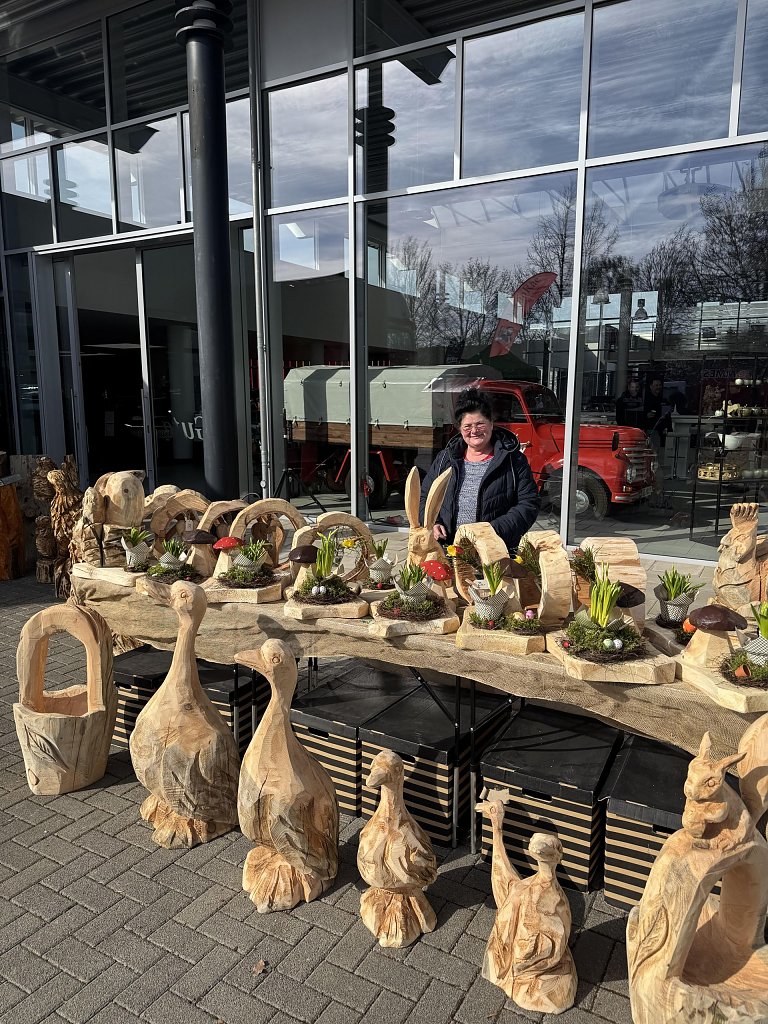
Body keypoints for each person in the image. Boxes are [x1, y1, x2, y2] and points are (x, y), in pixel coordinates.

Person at [418, 387, 540, 553]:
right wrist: (433, 523)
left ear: (491, 423)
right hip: (449, 551)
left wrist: (491, 531)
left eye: (480, 424)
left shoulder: (513, 460)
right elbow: (425, 496)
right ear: (459, 428)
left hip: (495, 551)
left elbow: (529, 504)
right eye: (467, 426)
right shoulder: (445, 459)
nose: (474, 431)